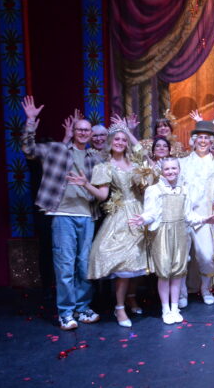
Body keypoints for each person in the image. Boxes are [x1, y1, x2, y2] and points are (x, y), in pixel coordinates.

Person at [21, 96, 103, 330]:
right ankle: (66, 312)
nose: (84, 133)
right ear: (74, 130)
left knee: (84, 265)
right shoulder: (56, 149)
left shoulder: (95, 158)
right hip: (62, 215)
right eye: (80, 129)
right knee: (65, 265)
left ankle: (82, 307)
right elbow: (28, 149)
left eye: (88, 130)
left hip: (87, 215)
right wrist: (30, 121)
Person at [70, 121, 151, 327]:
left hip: (139, 213)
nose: (120, 142)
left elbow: (146, 160)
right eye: (117, 139)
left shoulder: (135, 163)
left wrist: (129, 132)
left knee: (139, 262)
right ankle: (120, 307)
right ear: (109, 142)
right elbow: (102, 195)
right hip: (120, 216)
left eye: (124, 140)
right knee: (124, 265)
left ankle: (132, 297)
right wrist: (86, 184)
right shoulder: (103, 166)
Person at [130, 157, 214, 323]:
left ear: (179, 170)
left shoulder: (184, 190)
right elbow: (151, 213)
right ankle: (165, 309)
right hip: (162, 234)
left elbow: (189, 216)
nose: (171, 172)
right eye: (167, 169)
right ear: (162, 171)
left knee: (178, 273)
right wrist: (142, 219)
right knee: (165, 274)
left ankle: (175, 307)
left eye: (174, 168)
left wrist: (205, 220)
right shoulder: (154, 190)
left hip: (180, 233)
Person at [178, 121, 214, 306]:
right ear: (193, 141)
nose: (203, 141)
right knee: (182, 257)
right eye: (199, 137)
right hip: (184, 217)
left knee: (207, 256)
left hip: (207, 216)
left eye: (206, 138)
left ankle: (205, 288)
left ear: (211, 142)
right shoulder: (182, 163)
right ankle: (182, 293)